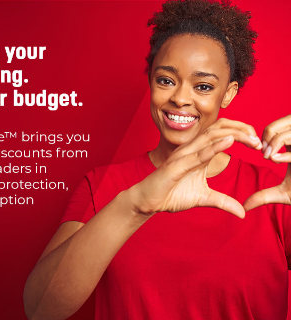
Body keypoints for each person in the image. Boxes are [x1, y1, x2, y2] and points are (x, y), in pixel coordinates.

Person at [23, 0, 291, 319]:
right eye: (166, 80)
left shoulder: (275, 194)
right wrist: (133, 206)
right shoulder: (103, 185)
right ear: (150, 80)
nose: (179, 98)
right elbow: (40, 310)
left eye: (203, 86)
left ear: (229, 93)